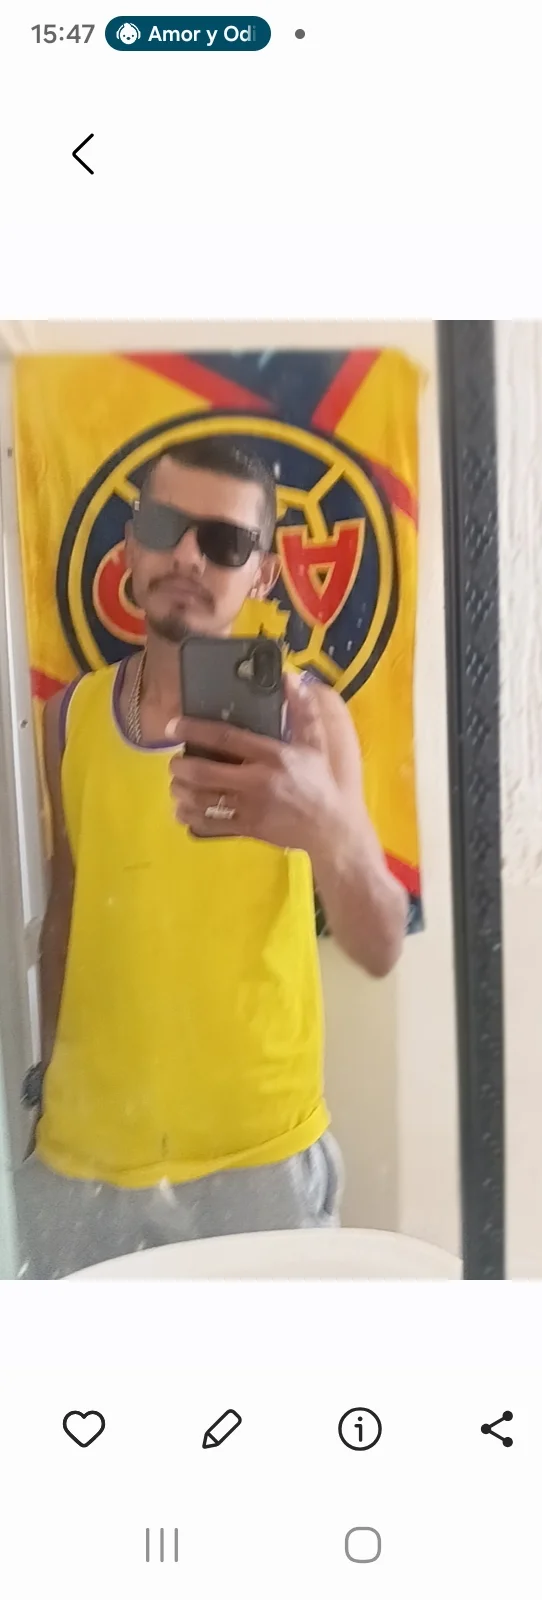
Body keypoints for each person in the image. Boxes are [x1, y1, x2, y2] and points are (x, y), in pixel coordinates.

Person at [15, 436, 408, 1277]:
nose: (189, 557)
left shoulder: (310, 720)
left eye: (225, 543)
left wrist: (327, 826)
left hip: (256, 1157)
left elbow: (378, 945)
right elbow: (69, 913)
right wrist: (47, 1084)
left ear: (262, 574)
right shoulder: (68, 717)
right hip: (81, 1158)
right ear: (130, 545)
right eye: (166, 526)